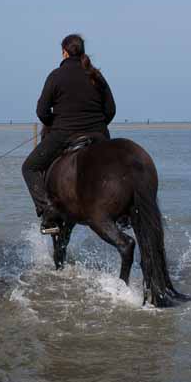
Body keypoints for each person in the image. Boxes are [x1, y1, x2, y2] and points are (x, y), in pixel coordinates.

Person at [22, 34, 116, 234]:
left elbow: (42, 112)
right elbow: (111, 110)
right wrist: (98, 126)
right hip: (99, 135)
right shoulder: (96, 75)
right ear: (82, 51)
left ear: (64, 52)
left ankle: (49, 213)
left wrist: (54, 125)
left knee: (29, 167)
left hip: (64, 134)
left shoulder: (56, 75)